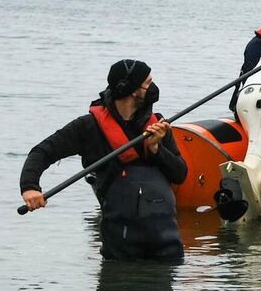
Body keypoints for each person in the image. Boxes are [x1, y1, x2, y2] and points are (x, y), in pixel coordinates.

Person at [20, 59, 188, 262]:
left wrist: (156, 149)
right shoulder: (88, 127)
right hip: (120, 249)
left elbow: (180, 174)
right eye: (148, 83)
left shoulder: (158, 126)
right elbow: (41, 152)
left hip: (166, 245)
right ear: (132, 90)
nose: (153, 88)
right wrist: (30, 187)